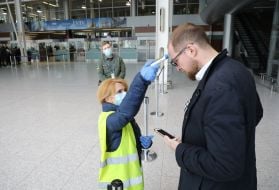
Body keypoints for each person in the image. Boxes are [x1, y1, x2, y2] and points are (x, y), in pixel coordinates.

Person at [164, 23, 263, 190]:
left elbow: (225, 166)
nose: (178, 67)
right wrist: (222, 140)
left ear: (190, 50)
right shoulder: (236, 69)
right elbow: (256, 113)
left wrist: (181, 149)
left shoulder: (219, 87)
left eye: (175, 61)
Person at [96, 60, 160, 190]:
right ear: (108, 98)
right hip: (117, 182)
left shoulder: (126, 118)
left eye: (125, 90)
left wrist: (142, 144)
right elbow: (126, 112)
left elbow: (129, 142)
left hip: (130, 180)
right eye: (119, 92)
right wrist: (141, 80)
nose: (124, 94)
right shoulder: (109, 119)